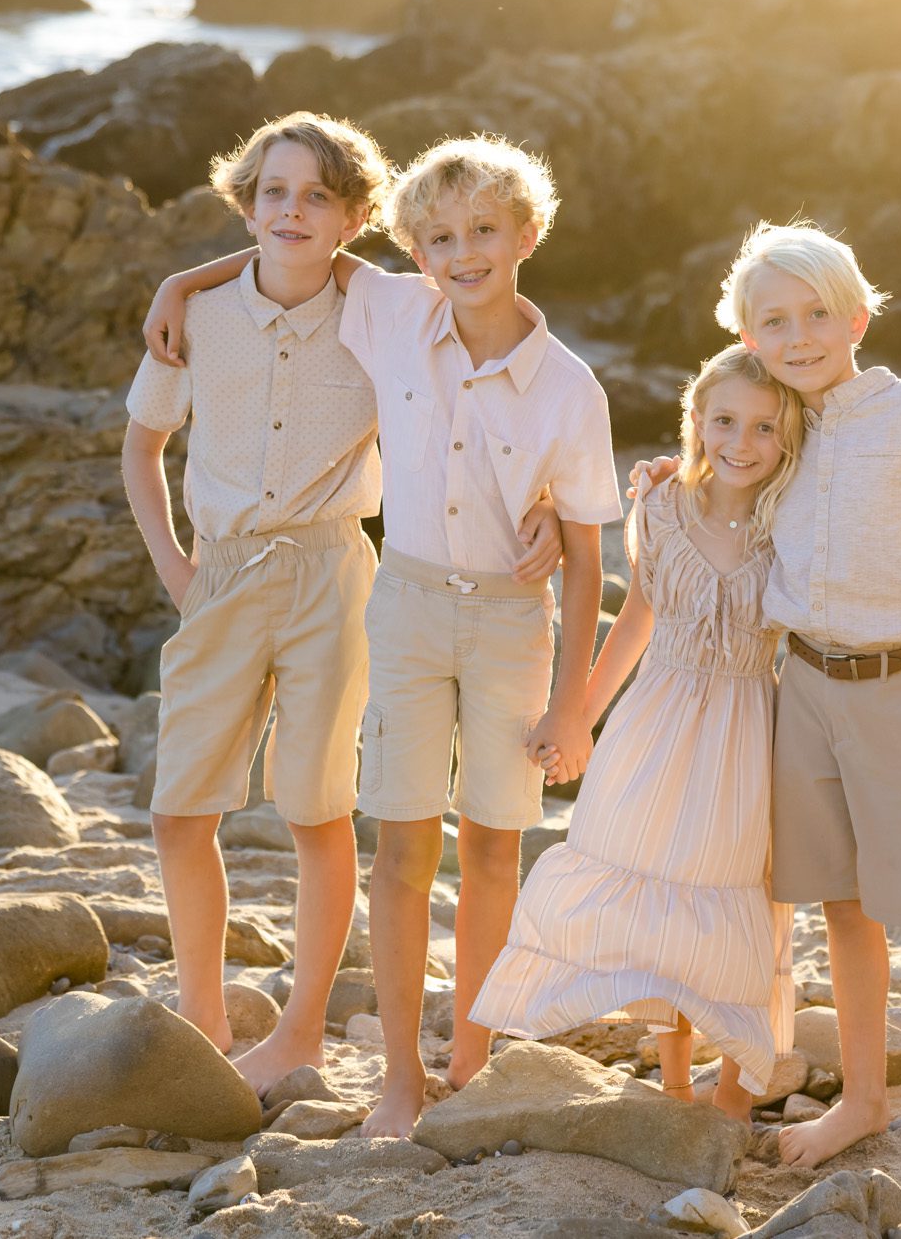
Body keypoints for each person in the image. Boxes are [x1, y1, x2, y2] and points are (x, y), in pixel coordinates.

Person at [152, 134, 619, 1140]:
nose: (462, 253)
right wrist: (185, 279)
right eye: (440, 237)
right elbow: (297, 249)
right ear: (413, 248)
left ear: (527, 236)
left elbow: (586, 554)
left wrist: (571, 701)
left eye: (484, 232)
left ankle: (473, 1055)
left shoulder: (568, 385)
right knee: (400, 849)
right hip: (401, 606)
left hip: (508, 622)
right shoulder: (395, 312)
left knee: (494, 852)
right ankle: (400, 1079)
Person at [635, 220, 901, 1167]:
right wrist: (668, 477)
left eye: (817, 314)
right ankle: (861, 1100)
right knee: (843, 909)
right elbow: (725, 481)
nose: (800, 334)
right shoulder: (783, 427)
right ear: (747, 334)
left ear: (856, 316)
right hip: (803, 687)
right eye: (776, 320)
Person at [472, 345, 800, 1123]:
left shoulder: (791, 519)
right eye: (724, 420)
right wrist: (579, 709)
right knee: (652, 891)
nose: (741, 442)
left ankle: (731, 1095)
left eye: (763, 427)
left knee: (735, 897)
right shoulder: (659, 506)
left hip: (748, 727)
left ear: (787, 439)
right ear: (696, 419)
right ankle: (676, 1081)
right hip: (656, 720)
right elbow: (638, 620)